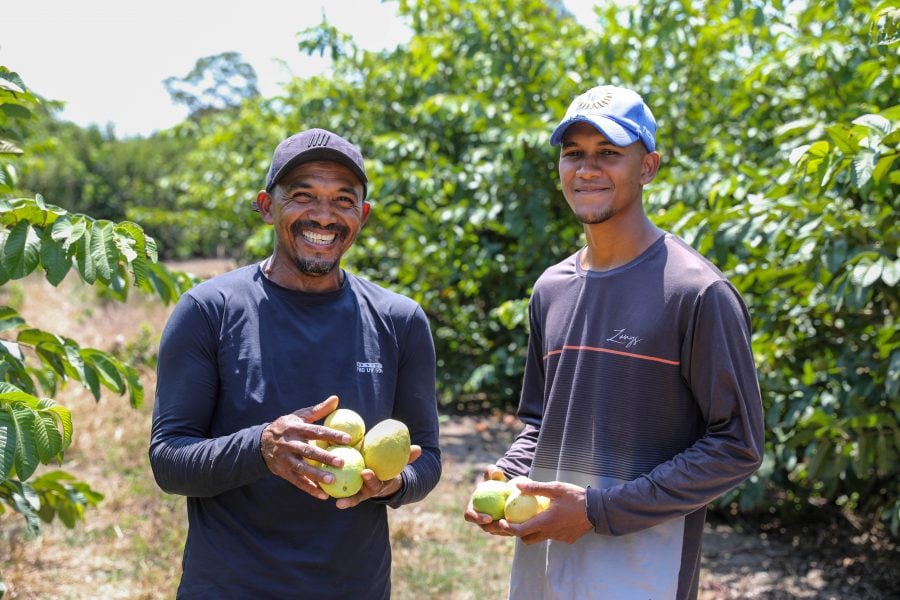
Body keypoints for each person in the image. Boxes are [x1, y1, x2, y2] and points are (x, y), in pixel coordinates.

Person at [464, 85, 764, 599]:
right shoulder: (551, 289)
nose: (586, 169)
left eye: (608, 153)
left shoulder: (695, 291)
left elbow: (737, 445)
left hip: (644, 566)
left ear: (647, 167)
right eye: (573, 154)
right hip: (543, 558)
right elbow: (541, 421)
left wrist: (598, 511)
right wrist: (508, 473)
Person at [149, 128, 442, 599]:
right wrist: (261, 448)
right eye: (303, 196)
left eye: (343, 200)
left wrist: (389, 484)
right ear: (268, 206)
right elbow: (169, 460)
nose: (323, 216)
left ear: (362, 216)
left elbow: (426, 458)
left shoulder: (398, 320)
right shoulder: (209, 311)